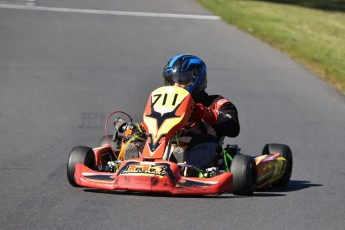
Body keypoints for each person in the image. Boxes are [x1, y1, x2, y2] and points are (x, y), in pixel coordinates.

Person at [162, 54, 240, 172]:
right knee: (136, 138)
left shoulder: (216, 102)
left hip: (199, 148)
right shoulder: (164, 103)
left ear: (197, 79)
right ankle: (134, 161)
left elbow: (233, 127)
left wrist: (206, 113)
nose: (175, 85)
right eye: (172, 80)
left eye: (181, 80)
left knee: (206, 141)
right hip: (166, 146)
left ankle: (187, 169)